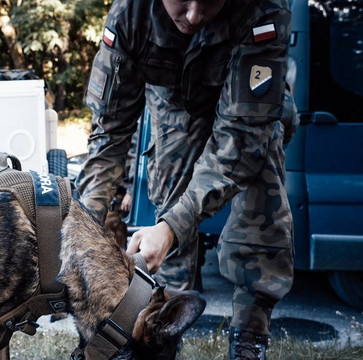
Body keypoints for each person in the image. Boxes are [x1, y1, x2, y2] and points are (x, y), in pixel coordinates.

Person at [75, 0, 299, 359]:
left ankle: (249, 336)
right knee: (169, 205)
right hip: (176, 104)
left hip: (250, 113)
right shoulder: (130, 13)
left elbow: (239, 141)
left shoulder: (263, 10)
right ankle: (159, 329)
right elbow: (110, 133)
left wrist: (172, 226)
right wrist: (82, 232)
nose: (194, 15)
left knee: (262, 186)